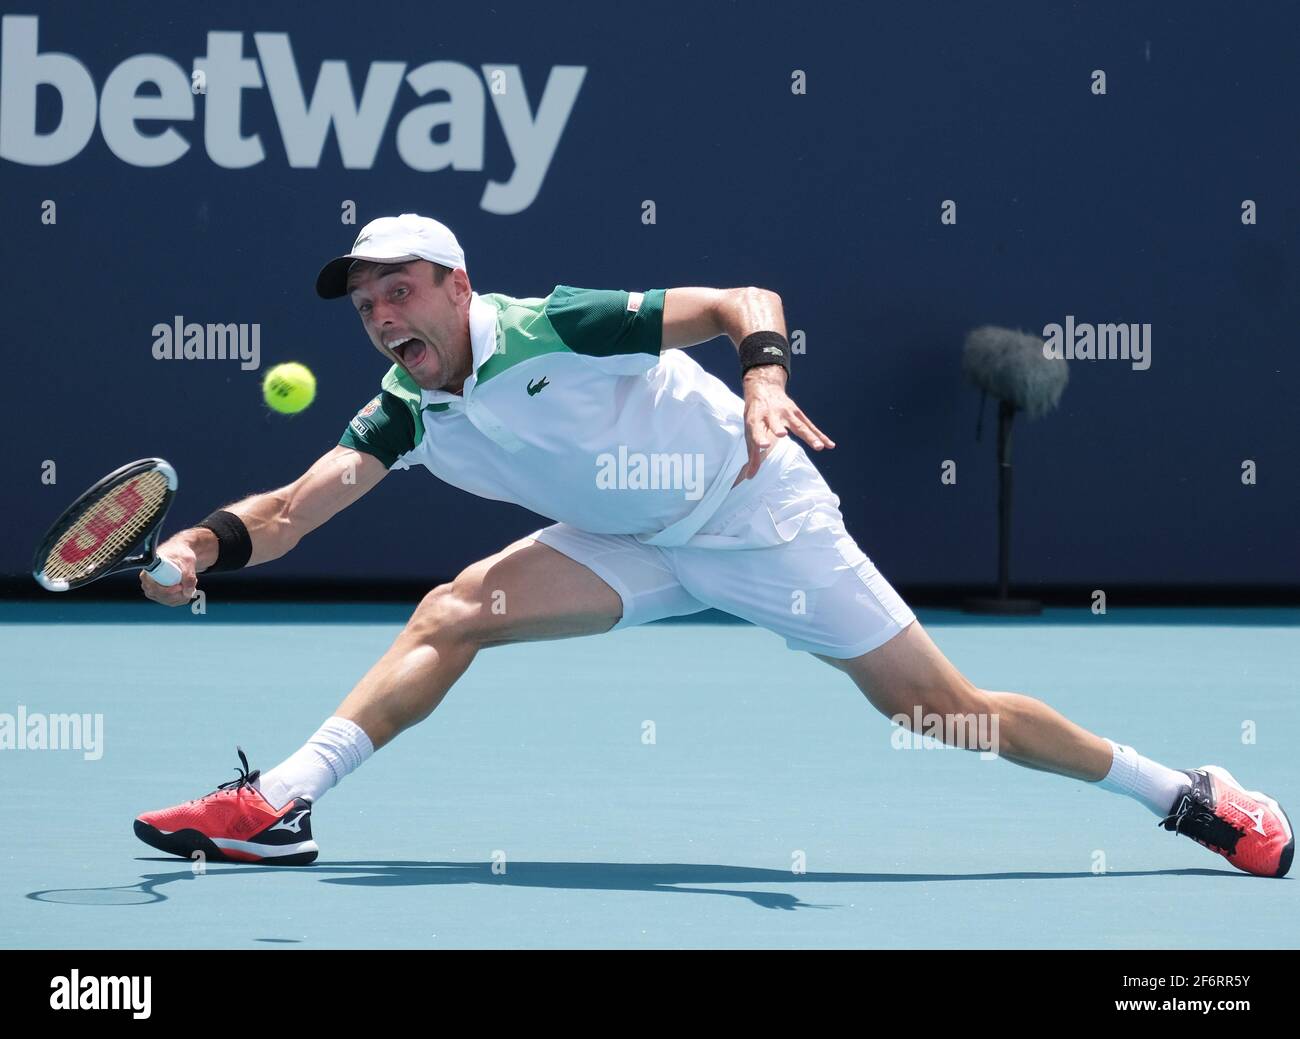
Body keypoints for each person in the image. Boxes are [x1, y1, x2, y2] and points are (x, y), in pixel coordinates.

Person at [134, 214, 1292, 878]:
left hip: (755, 512)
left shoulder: (559, 326)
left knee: (940, 712)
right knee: (453, 610)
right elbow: (292, 507)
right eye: (367, 307)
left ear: (457, 285)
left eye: (401, 293)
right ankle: (279, 804)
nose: (386, 320)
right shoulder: (405, 404)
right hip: (627, 539)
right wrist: (195, 546)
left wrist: (765, 383)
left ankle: (1184, 793)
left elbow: (744, 293)